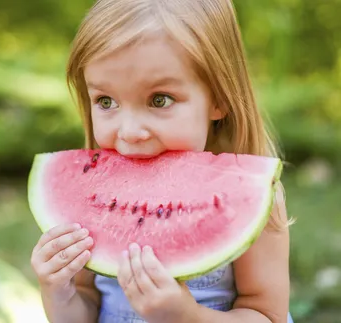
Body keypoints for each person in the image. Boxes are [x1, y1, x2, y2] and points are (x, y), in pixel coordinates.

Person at [30, 0, 294, 322]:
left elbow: (267, 315)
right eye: (106, 101)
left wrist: (185, 316)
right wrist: (58, 291)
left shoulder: (257, 199)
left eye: (159, 100)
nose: (129, 132)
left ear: (219, 99)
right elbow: (84, 310)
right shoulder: (92, 197)